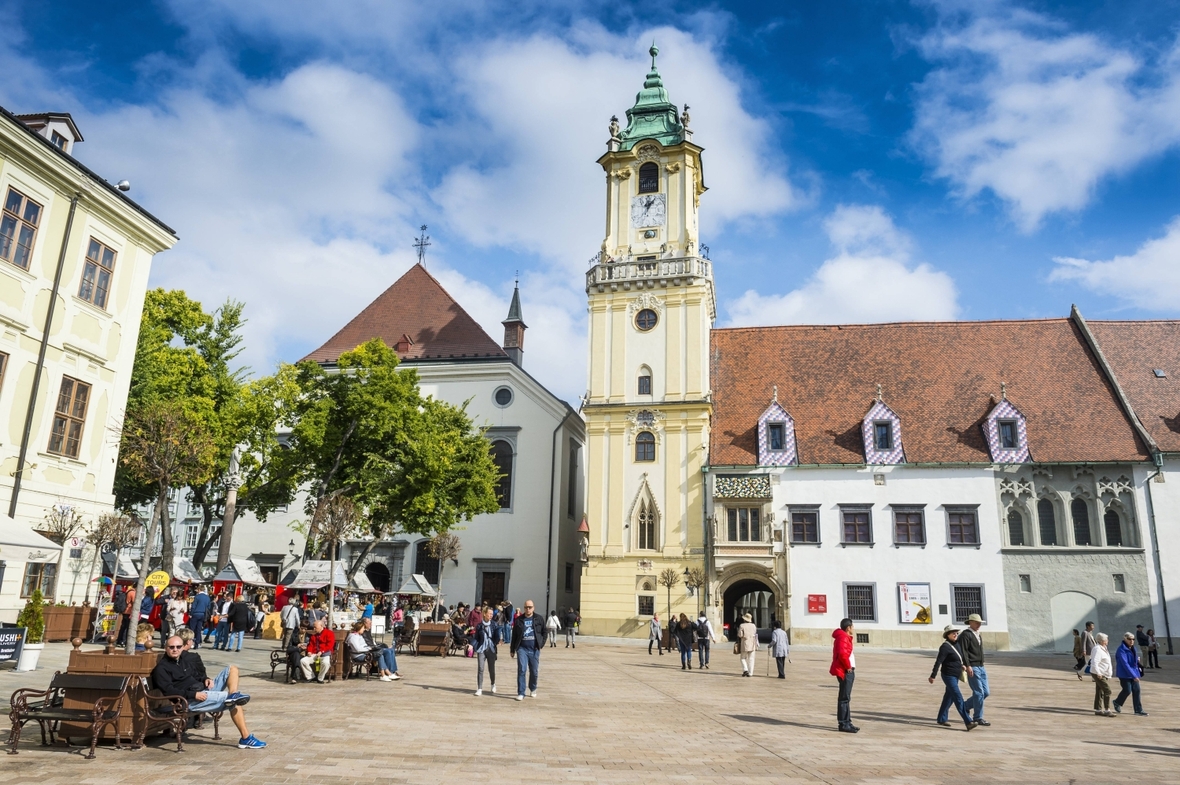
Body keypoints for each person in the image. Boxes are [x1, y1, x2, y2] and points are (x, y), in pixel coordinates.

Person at [152, 634, 265, 748]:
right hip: (188, 700)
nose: (175, 649)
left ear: (182, 647)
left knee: (232, 669)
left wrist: (206, 679)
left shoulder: (183, 661)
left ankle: (233, 693)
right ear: (166, 648)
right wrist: (194, 694)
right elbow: (169, 691)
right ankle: (246, 738)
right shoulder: (162, 668)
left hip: (202, 690)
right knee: (234, 701)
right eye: (171, 647)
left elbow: (196, 675)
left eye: (178, 646)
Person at [929, 625, 977, 731]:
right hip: (948, 675)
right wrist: (933, 675)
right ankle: (968, 722)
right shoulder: (945, 647)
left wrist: (962, 665)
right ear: (947, 635)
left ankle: (941, 718)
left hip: (956, 675)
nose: (955, 635)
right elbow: (939, 661)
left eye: (956, 633)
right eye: (953, 633)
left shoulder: (957, 644)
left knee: (949, 697)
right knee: (958, 697)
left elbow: (958, 658)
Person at [958, 613, 990, 726]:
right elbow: (964, 651)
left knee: (986, 692)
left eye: (980, 623)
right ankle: (978, 717)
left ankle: (966, 706)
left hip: (981, 666)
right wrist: (968, 665)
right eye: (976, 622)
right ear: (970, 622)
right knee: (979, 692)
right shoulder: (966, 635)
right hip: (973, 666)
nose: (978, 624)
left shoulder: (977, 634)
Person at [830, 618, 858, 733]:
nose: (853, 629)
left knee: (846, 697)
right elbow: (842, 654)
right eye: (852, 627)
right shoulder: (843, 637)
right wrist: (848, 667)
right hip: (845, 671)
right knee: (844, 698)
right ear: (848, 628)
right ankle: (843, 723)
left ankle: (847, 721)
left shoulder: (843, 637)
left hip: (846, 670)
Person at [510, 599, 542, 700]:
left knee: (534, 671)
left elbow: (544, 632)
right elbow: (514, 635)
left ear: (533, 608)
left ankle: (533, 688)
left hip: (534, 649)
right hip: (522, 648)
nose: (528, 609)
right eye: (526, 607)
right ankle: (521, 692)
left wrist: (541, 643)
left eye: (530, 607)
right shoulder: (519, 620)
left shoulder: (539, 619)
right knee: (522, 669)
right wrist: (512, 649)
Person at [1113, 632, 1148, 715]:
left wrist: (1137, 661)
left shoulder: (1133, 648)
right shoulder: (1121, 650)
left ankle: (1138, 710)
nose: (1131, 641)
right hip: (1124, 674)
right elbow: (1125, 664)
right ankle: (1117, 702)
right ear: (1125, 639)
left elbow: (1133, 661)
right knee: (1127, 690)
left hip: (1134, 673)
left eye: (1133, 639)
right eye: (1129, 639)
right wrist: (1134, 676)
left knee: (1137, 690)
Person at [473, 606, 500, 696]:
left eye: (492, 614)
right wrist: (471, 645)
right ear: (484, 614)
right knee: (480, 668)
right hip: (481, 648)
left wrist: (496, 641)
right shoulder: (479, 626)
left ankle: (493, 684)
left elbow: (497, 636)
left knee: (491, 668)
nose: (491, 615)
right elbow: (476, 638)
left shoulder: (494, 624)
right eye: (489, 613)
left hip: (491, 648)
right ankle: (479, 688)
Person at [301, 617, 336, 684]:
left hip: (325, 653)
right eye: (313, 627)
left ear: (321, 626)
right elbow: (310, 644)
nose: (314, 629)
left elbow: (330, 645)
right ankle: (310, 676)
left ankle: (320, 678)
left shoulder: (329, 633)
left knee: (326, 663)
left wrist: (322, 651)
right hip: (315, 653)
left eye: (315, 627)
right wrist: (309, 651)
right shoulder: (314, 635)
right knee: (303, 661)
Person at [1090, 632, 1114, 716]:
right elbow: (1094, 662)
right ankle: (1107, 710)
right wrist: (1098, 673)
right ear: (1102, 641)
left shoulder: (1104, 648)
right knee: (1107, 690)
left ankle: (1098, 709)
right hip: (1099, 673)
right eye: (1106, 639)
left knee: (1099, 690)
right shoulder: (1097, 649)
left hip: (1104, 673)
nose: (1107, 640)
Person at [736, 612, 759, 677]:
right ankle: (750, 673)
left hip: (745, 643)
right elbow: (755, 633)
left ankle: (745, 669)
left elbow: (740, 635)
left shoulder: (742, 625)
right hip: (752, 643)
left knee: (743, 658)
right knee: (751, 659)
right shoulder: (753, 625)